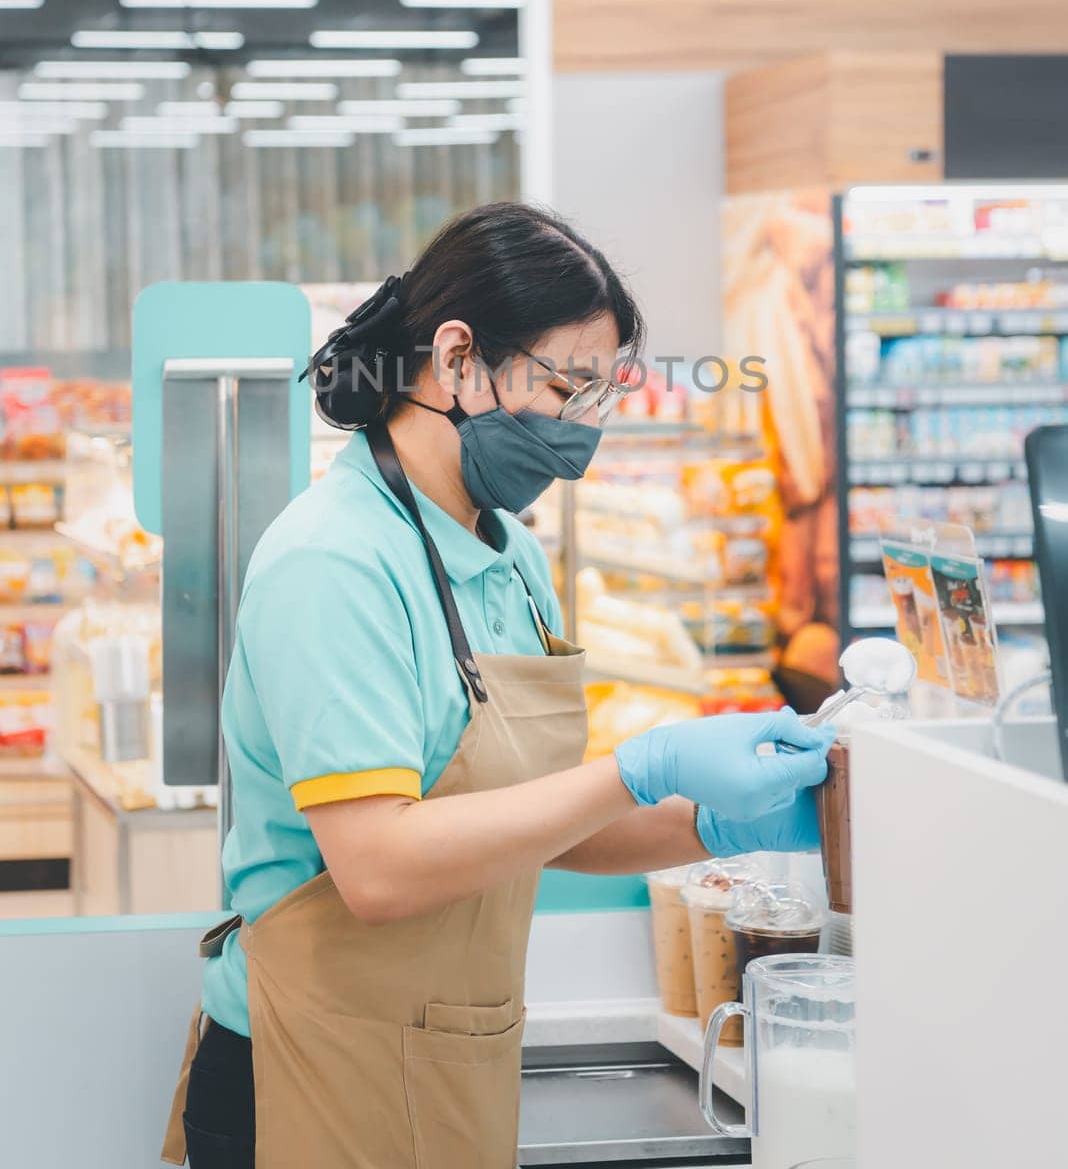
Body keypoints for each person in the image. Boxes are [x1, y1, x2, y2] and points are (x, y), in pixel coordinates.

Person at [162, 202, 834, 1169]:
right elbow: (381, 867)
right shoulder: (334, 562)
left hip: (447, 1063)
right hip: (308, 1071)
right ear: (457, 357)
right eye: (567, 387)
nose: (578, 431)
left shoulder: (508, 553)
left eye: (599, 399)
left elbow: (529, 817)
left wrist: (723, 823)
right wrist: (638, 767)